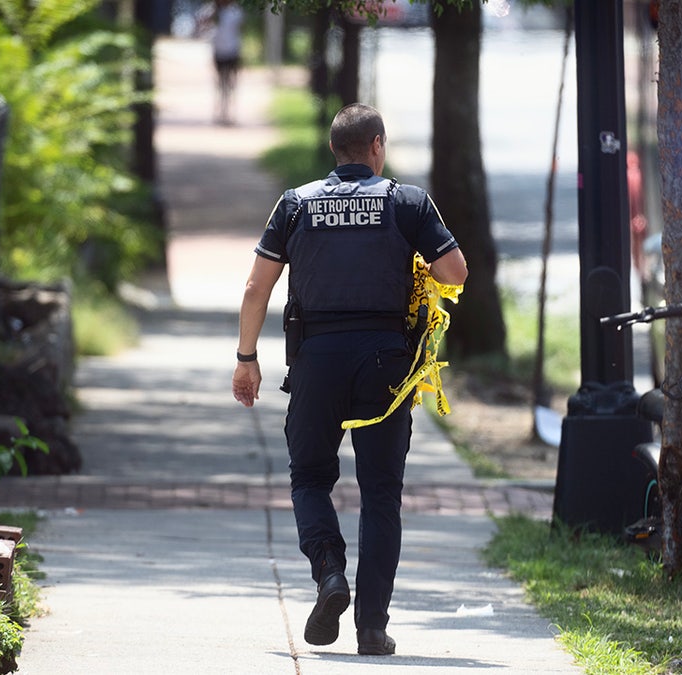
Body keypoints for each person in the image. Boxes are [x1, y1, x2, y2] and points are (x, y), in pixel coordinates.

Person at [232, 103, 468, 656]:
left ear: (334, 150)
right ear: (378, 146)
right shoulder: (407, 201)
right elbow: (454, 271)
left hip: (316, 358)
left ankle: (329, 572)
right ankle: (371, 628)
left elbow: (255, 288)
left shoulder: (296, 205)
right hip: (386, 362)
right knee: (381, 493)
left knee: (310, 477)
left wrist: (247, 357)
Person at [197, 0, 243, 125]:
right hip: (219, 51)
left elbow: (240, 25)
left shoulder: (235, 10)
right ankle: (221, 112)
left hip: (232, 51)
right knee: (220, 83)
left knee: (231, 83)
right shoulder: (211, 10)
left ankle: (229, 113)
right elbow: (201, 22)